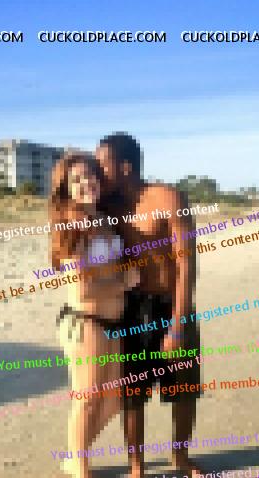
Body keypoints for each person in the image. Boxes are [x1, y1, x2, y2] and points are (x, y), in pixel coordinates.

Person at [96, 133, 202, 478]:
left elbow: (186, 263)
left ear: (125, 166)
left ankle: (180, 457)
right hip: (131, 308)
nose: (98, 170)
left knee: (183, 390)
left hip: (173, 304)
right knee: (132, 394)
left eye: (103, 163)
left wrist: (179, 323)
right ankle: (137, 465)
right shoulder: (106, 205)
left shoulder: (168, 198)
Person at [49, 151, 139, 478]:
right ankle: (81, 468)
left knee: (112, 400)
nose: (86, 183)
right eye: (77, 179)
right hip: (85, 324)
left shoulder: (103, 219)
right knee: (86, 400)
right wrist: (124, 284)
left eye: (90, 175)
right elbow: (82, 291)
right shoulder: (72, 225)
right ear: (66, 189)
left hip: (112, 324)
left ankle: (75, 455)